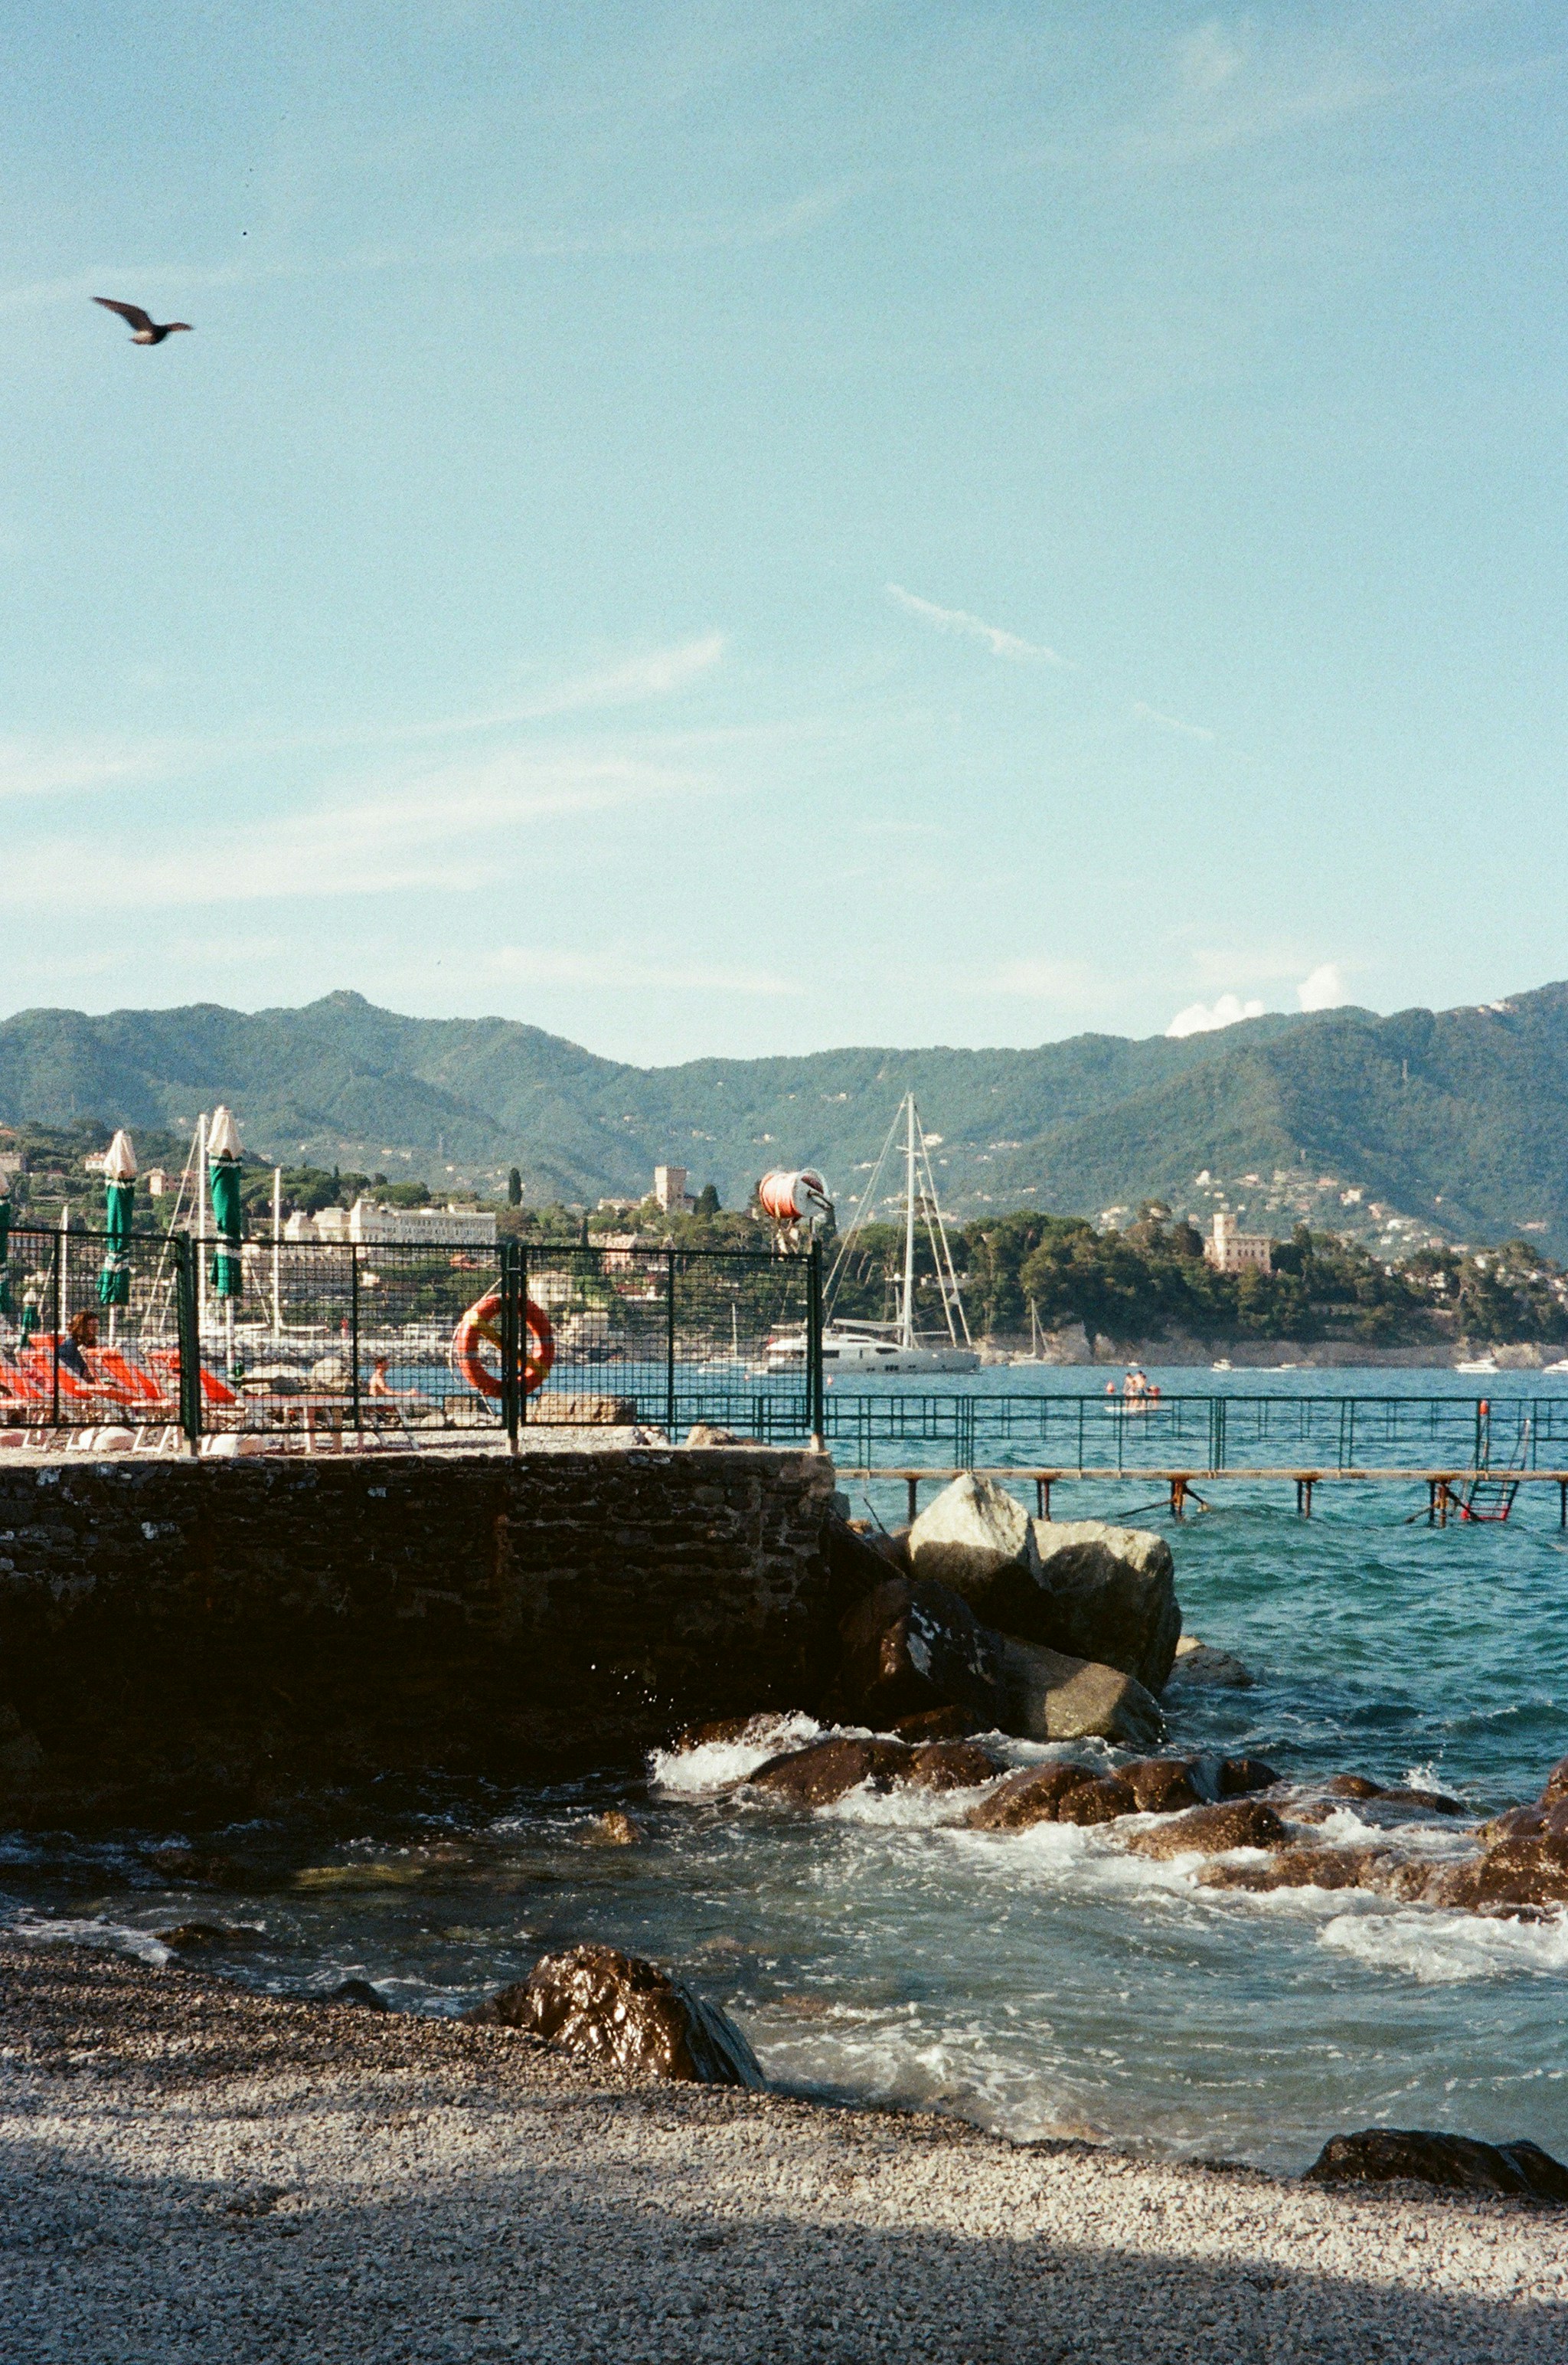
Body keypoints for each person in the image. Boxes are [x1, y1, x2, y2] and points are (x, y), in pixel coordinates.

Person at [57, 1308, 98, 1380]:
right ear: (81, 1326)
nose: (95, 1329)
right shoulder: (68, 1346)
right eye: (92, 1325)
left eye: (96, 1325)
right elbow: (69, 1372)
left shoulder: (91, 1346)